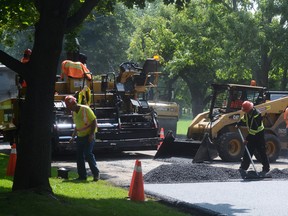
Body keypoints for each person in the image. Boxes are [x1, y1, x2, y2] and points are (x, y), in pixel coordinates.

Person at [64, 95, 100, 181]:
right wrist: (73, 137)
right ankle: (82, 176)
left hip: (88, 135)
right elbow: (77, 126)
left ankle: (96, 173)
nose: (69, 109)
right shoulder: (73, 113)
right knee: (79, 156)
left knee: (88, 153)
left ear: (74, 103)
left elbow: (94, 120)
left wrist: (91, 135)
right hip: (80, 136)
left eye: (69, 106)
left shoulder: (85, 109)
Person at [236, 101, 270, 176]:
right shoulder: (247, 113)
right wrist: (239, 123)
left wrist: (246, 139)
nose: (244, 111)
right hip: (252, 134)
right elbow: (244, 119)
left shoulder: (257, 115)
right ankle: (243, 168)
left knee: (262, 152)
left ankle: (266, 169)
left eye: (245, 110)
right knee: (248, 152)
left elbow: (253, 130)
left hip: (259, 135)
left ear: (249, 109)